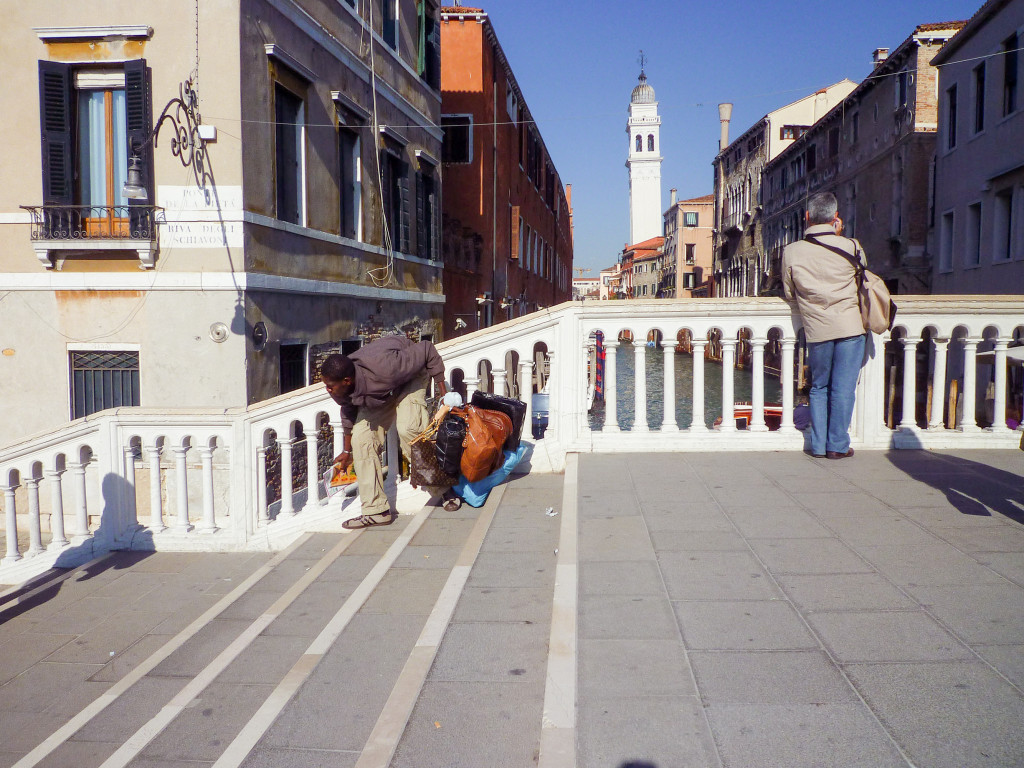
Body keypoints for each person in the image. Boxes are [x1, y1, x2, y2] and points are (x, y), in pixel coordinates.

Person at [321, 336, 461, 529]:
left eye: (329, 386)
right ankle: (376, 511)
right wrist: (347, 451)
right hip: (380, 394)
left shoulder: (385, 367)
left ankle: (444, 489)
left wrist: (445, 395)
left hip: (409, 378)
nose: (327, 390)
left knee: (409, 428)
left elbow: (427, 349)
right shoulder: (339, 388)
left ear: (346, 381)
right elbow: (348, 413)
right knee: (361, 440)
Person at [782, 191, 866, 460]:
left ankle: (818, 446)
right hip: (850, 327)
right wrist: (838, 236)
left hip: (817, 328)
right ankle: (837, 446)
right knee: (843, 389)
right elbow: (861, 280)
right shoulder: (852, 246)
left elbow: (789, 292)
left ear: (807, 217)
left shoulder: (791, 251)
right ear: (835, 217)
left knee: (819, 387)